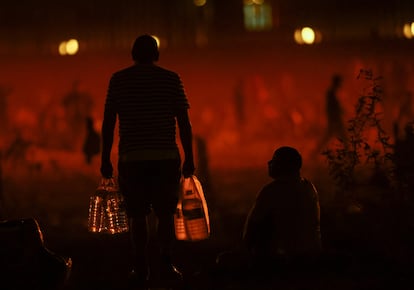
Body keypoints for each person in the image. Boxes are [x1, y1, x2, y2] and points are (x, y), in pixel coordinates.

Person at [100, 34, 195, 288]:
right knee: (165, 215)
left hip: (132, 158)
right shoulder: (171, 79)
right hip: (166, 157)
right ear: (156, 54)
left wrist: (105, 158)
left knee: (137, 215)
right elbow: (184, 123)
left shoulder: (119, 80)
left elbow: (109, 122)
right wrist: (189, 157)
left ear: (133, 53)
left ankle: (141, 267)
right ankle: (166, 262)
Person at [215, 146, 321, 280]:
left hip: (285, 259)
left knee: (223, 260)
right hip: (311, 254)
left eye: (274, 161)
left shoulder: (272, 191)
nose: (269, 164)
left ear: (283, 166)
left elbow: (252, 229)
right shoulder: (309, 187)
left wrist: (245, 252)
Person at [315, 74, 347, 153]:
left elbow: (333, 107)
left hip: (335, 120)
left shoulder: (333, 93)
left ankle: (314, 153)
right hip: (335, 120)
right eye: (339, 82)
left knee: (328, 138)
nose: (341, 84)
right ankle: (349, 154)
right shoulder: (331, 93)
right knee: (344, 138)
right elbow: (330, 108)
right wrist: (334, 118)